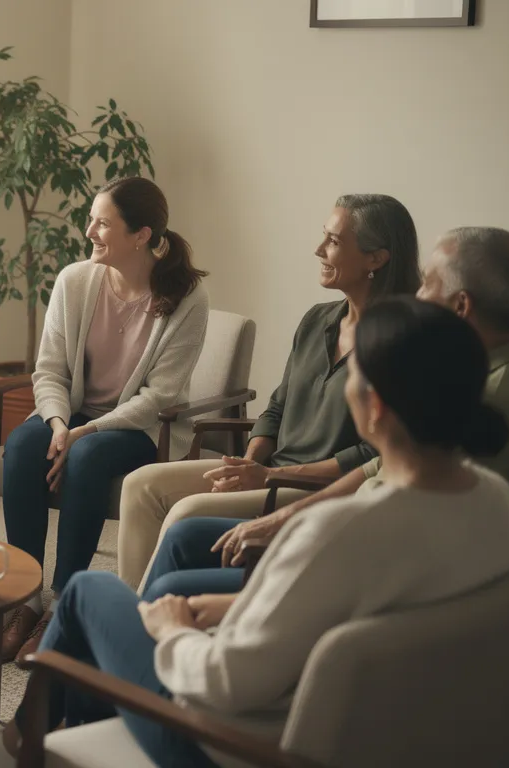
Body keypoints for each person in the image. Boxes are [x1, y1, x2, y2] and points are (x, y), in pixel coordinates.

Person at [0, 296, 509, 768]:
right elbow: (350, 608)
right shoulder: (496, 504)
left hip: (224, 743)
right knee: (170, 586)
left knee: (87, 594)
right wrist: (232, 605)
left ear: (375, 407)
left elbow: (226, 683)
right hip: (376, 729)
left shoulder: (336, 532)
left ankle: (19, 746)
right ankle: (65, 740)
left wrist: (174, 632)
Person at [144, 226, 509, 601]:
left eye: (428, 284)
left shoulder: (489, 396)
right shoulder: (476, 375)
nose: (417, 295)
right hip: (350, 534)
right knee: (181, 536)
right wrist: (282, 513)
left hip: (357, 565)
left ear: (461, 305)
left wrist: (288, 531)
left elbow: (409, 547)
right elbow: (380, 468)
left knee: (169, 582)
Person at [118, 194, 421, 593]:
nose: (319, 249)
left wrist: (268, 476)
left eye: (333, 241)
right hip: (271, 470)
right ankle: (132, 607)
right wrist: (247, 464)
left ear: (376, 259)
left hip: (320, 488)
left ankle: (145, 617)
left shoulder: (405, 340)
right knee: (140, 485)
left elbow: (374, 455)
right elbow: (277, 406)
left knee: (187, 513)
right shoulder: (317, 320)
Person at [0, 176, 210, 664]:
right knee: (24, 445)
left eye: (102, 223)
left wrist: (84, 432)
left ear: (141, 235)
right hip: (73, 411)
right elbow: (50, 370)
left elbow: (160, 396)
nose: (89, 230)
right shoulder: (75, 281)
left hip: (142, 426)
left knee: (88, 456)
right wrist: (58, 425)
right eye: (91, 219)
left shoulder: (186, 298)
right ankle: (26, 599)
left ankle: (63, 605)